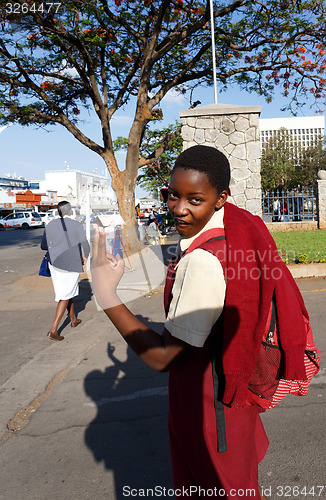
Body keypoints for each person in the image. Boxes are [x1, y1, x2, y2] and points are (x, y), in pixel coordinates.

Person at [91, 145, 308, 499]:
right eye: (173, 195)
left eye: (195, 199)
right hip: (231, 398)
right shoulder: (235, 227)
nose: (179, 208)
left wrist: (106, 295)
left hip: (210, 406)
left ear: (221, 198)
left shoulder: (203, 262)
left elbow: (163, 357)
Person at [41, 201, 90, 341]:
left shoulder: (50, 224)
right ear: (70, 211)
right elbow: (85, 244)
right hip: (70, 263)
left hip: (54, 263)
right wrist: (85, 256)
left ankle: (73, 319)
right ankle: (53, 330)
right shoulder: (76, 224)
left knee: (68, 291)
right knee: (65, 295)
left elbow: (44, 245)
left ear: (58, 211)